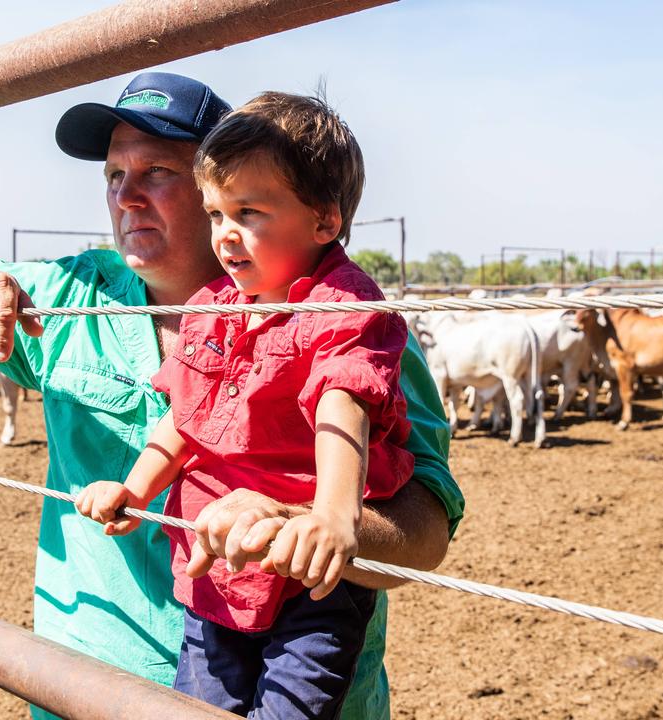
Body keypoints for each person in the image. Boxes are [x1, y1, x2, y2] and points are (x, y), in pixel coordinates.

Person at [0, 72, 463, 720]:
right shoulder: (67, 298)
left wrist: (304, 519)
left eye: (157, 171)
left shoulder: (353, 320)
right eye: (112, 175)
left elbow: (425, 534)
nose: (126, 197)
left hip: (301, 676)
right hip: (85, 690)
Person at [74, 91, 412, 718]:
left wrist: (334, 516)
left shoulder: (343, 307)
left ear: (324, 222)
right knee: (202, 705)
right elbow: (185, 420)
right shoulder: (214, 306)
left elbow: (345, 402)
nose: (225, 235)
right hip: (214, 570)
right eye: (215, 213)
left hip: (307, 574)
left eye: (248, 212)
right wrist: (136, 489)